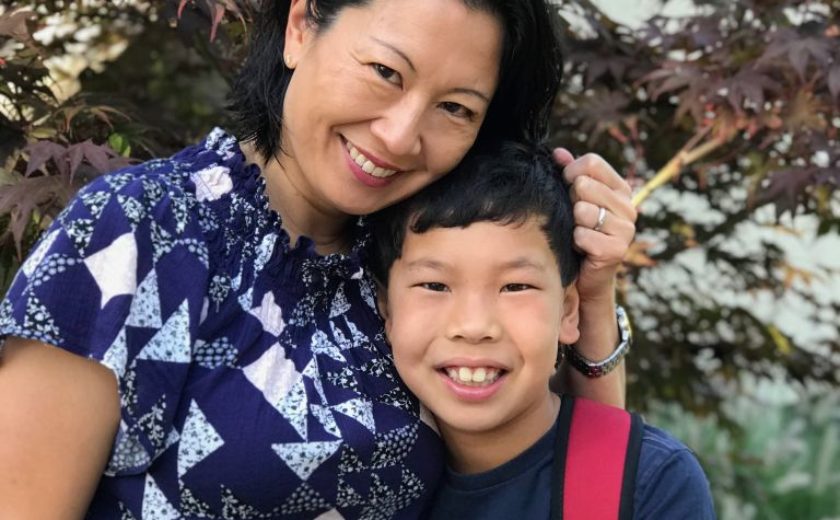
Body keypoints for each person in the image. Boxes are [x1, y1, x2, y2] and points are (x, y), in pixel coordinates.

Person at [0, 0, 636, 518]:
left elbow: (578, 477)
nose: (400, 135)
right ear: (301, 27)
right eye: (386, 72)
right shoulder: (134, 231)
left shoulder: (416, 264)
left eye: (455, 108)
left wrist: (594, 287)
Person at [369, 142, 716, 519]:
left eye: (515, 286)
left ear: (568, 311)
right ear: (386, 307)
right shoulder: (351, 483)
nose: (474, 326)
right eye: (435, 285)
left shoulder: (653, 484)